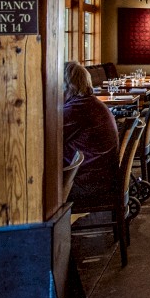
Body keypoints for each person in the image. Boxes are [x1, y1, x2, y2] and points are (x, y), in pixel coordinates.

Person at [62, 60, 121, 207]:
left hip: (89, 183)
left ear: (67, 85)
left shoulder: (77, 109)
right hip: (102, 177)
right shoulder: (90, 103)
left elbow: (45, 140)